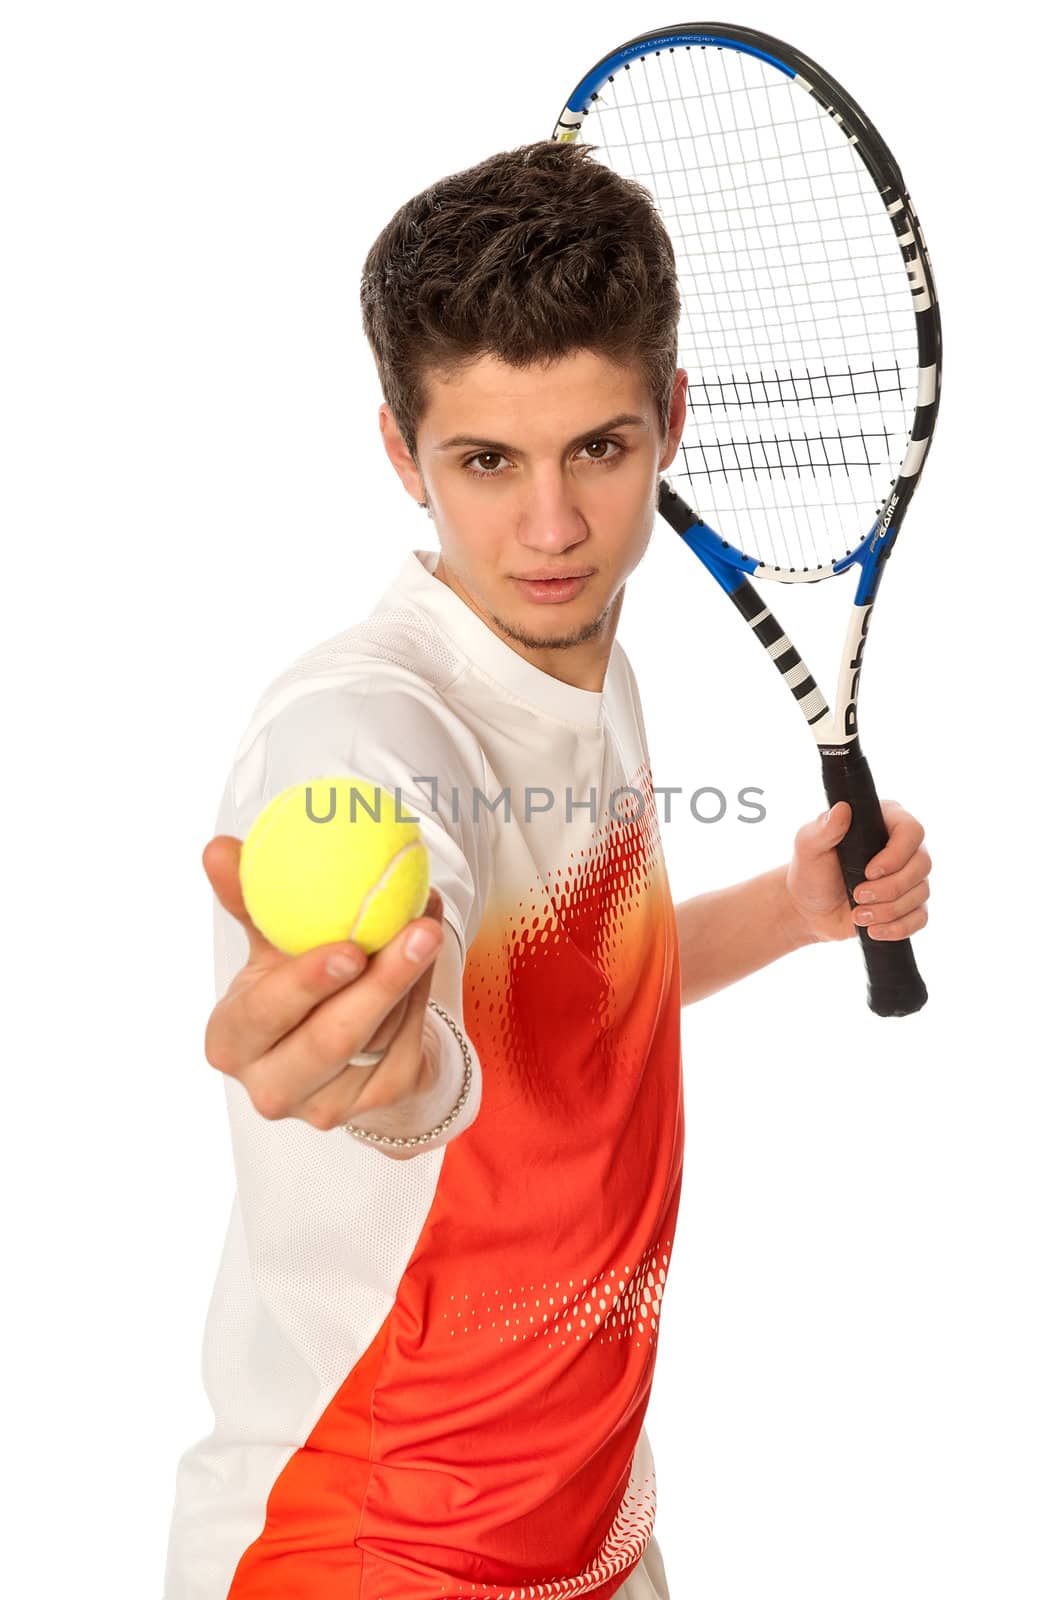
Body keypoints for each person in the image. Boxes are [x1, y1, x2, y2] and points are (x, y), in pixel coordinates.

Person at [163, 140, 932, 1599]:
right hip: (358, 1549)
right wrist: (388, 1070)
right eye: (486, 462)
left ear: (670, 422)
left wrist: (790, 911)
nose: (554, 528)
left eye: (598, 447)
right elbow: (421, 1034)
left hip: (589, 1528)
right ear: (402, 453)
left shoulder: (589, 668)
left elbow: (570, 998)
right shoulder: (358, 723)